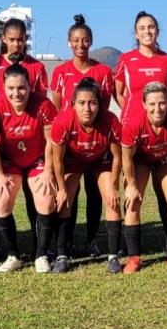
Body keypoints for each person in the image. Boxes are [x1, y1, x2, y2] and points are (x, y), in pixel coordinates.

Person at [114, 11, 167, 254]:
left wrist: (157, 117)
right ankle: (128, 246)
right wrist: (134, 115)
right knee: (133, 192)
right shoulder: (126, 60)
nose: (147, 31)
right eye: (142, 28)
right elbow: (119, 93)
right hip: (134, 135)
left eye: (151, 27)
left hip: (161, 134)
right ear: (135, 33)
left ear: (157, 31)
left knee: (166, 191)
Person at [0, 63, 59, 273]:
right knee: (1, 198)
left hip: (37, 160)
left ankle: (41, 254)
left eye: (21, 88)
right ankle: (13, 255)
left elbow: (51, 142)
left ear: (29, 86)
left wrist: (48, 172)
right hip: (9, 161)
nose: (16, 93)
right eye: (11, 88)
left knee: (45, 198)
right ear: (3, 88)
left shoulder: (43, 105)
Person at [50, 14, 114, 258]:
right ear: (69, 42)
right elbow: (59, 108)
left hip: (97, 140)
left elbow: (104, 105)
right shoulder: (60, 71)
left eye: (85, 40)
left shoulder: (103, 71)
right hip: (72, 141)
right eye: (76, 40)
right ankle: (67, 243)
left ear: (91, 42)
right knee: (70, 190)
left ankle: (91, 240)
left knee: (95, 192)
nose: (80, 45)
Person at [0, 18, 48, 252]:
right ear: (3, 40)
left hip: (31, 140)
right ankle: (1, 247)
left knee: (37, 194)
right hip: (3, 143)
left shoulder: (37, 67)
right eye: (12, 40)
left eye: (20, 40)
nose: (16, 44)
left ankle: (39, 242)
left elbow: (38, 106)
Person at [50, 78, 123, 273]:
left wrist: (114, 186)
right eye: (81, 103)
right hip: (73, 161)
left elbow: (118, 157)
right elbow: (57, 159)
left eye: (92, 102)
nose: (87, 108)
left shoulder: (110, 120)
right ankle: (61, 255)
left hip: (101, 161)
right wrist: (62, 189)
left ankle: (113, 255)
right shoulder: (63, 121)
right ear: (73, 103)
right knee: (64, 201)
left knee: (111, 200)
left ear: (99, 103)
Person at [121, 82, 167, 273]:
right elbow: (126, 157)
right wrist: (132, 185)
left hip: (166, 160)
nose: (157, 108)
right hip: (140, 161)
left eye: (161, 103)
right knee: (133, 201)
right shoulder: (133, 124)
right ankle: (134, 258)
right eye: (152, 104)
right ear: (144, 104)